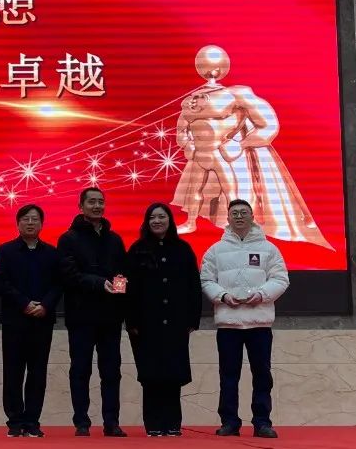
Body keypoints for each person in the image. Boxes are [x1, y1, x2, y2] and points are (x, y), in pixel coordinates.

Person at [173, 45, 330, 249]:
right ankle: (191, 222)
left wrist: (241, 144)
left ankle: (235, 227)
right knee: (195, 190)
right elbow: (181, 129)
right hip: (200, 154)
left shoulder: (237, 94)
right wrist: (187, 144)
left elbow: (268, 123)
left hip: (222, 153)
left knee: (232, 192)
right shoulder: (190, 101)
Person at [200, 199, 290, 439]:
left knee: (262, 375)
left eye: (244, 212)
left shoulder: (269, 248)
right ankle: (229, 422)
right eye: (234, 213)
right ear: (228, 218)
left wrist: (261, 295)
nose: (239, 216)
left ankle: (262, 422)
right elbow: (207, 280)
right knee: (228, 375)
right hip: (228, 324)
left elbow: (280, 279)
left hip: (259, 323)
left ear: (252, 216)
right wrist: (222, 296)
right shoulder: (215, 250)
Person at [125, 203, 202, 437]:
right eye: (152, 217)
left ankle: (173, 423)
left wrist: (192, 319)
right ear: (146, 222)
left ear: (170, 220)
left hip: (176, 323)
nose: (157, 221)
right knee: (151, 375)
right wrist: (130, 321)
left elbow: (194, 286)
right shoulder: (137, 249)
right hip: (145, 325)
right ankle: (153, 423)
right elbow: (127, 288)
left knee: (173, 373)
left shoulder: (183, 249)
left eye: (162, 217)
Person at [57, 187, 127, 437]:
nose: (97, 206)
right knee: (80, 370)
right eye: (91, 202)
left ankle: (111, 422)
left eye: (100, 202)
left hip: (110, 316)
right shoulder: (68, 239)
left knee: (112, 371)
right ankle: (82, 422)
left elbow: (122, 272)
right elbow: (68, 275)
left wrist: (118, 288)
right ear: (81, 206)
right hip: (81, 316)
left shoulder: (115, 239)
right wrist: (99, 283)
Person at [0, 204, 62, 438]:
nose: (30, 223)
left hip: (42, 320)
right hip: (15, 320)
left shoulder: (52, 253)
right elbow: (1, 283)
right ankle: (15, 422)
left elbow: (58, 284)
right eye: (25, 219)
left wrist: (45, 305)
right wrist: (24, 303)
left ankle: (32, 421)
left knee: (37, 372)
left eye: (35, 219)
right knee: (13, 372)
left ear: (42, 224)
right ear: (18, 223)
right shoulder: (5, 251)